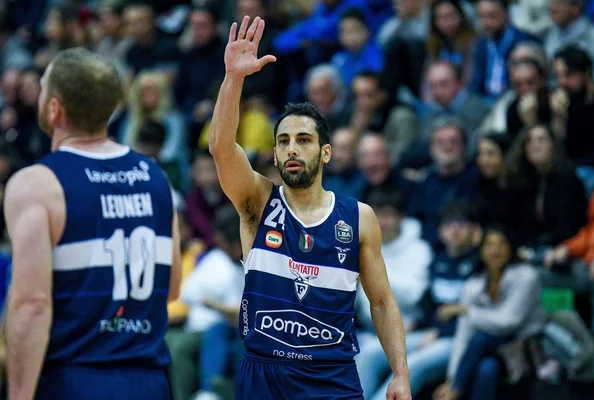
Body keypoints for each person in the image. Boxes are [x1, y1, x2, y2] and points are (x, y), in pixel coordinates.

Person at [208, 15, 411, 400]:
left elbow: (382, 301)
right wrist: (233, 79)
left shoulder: (359, 217)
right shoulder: (256, 200)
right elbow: (220, 148)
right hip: (264, 372)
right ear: (275, 153)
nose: (292, 149)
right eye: (283, 141)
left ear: (326, 152)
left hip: (330, 374)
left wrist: (400, 373)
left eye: (303, 139)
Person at [4, 47, 182, 400]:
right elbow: (172, 288)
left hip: (74, 380)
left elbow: (31, 304)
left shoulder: (37, 183)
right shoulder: (155, 176)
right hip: (150, 382)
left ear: (54, 108)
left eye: (42, 88)